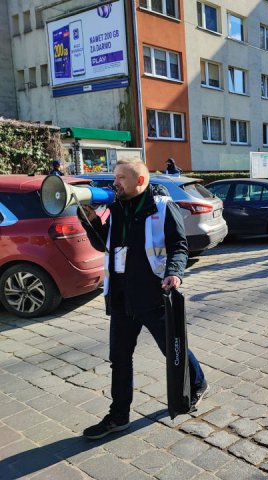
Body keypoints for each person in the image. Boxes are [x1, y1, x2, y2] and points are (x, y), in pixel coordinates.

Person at [77, 158, 208, 440]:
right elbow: (105, 245)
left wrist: (175, 273)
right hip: (122, 299)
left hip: (153, 296)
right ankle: (119, 416)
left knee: (172, 350)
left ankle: (196, 383)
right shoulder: (114, 209)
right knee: (119, 359)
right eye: (115, 178)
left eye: (121, 178)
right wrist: (90, 222)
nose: (115, 183)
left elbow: (179, 246)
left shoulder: (161, 208)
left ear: (140, 181)